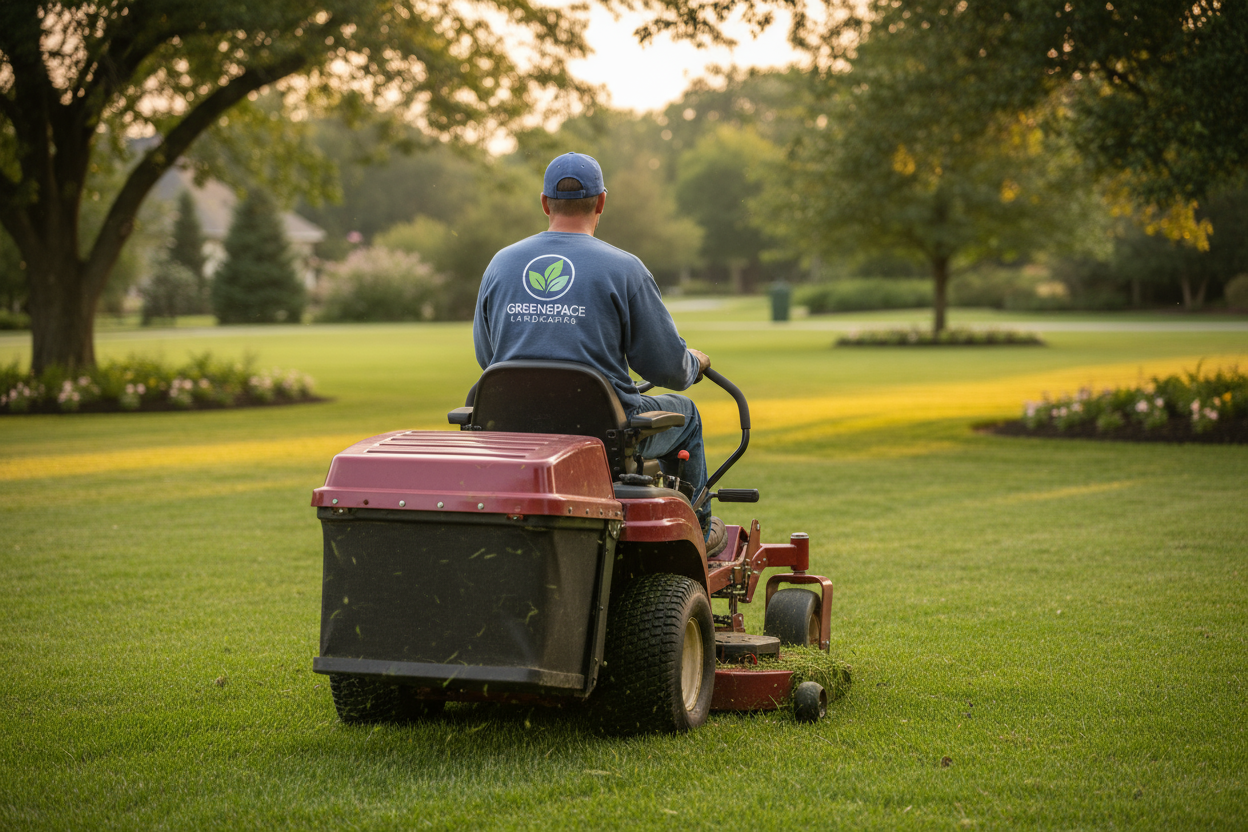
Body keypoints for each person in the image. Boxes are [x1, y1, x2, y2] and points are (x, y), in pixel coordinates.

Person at [473, 151, 727, 556]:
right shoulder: (624, 268)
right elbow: (668, 369)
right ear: (602, 202)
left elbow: (490, 359)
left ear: (545, 203)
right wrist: (694, 362)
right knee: (688, 415)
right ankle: (698, 532)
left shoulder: (500, 265)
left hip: (514, 433)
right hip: (604, 436)